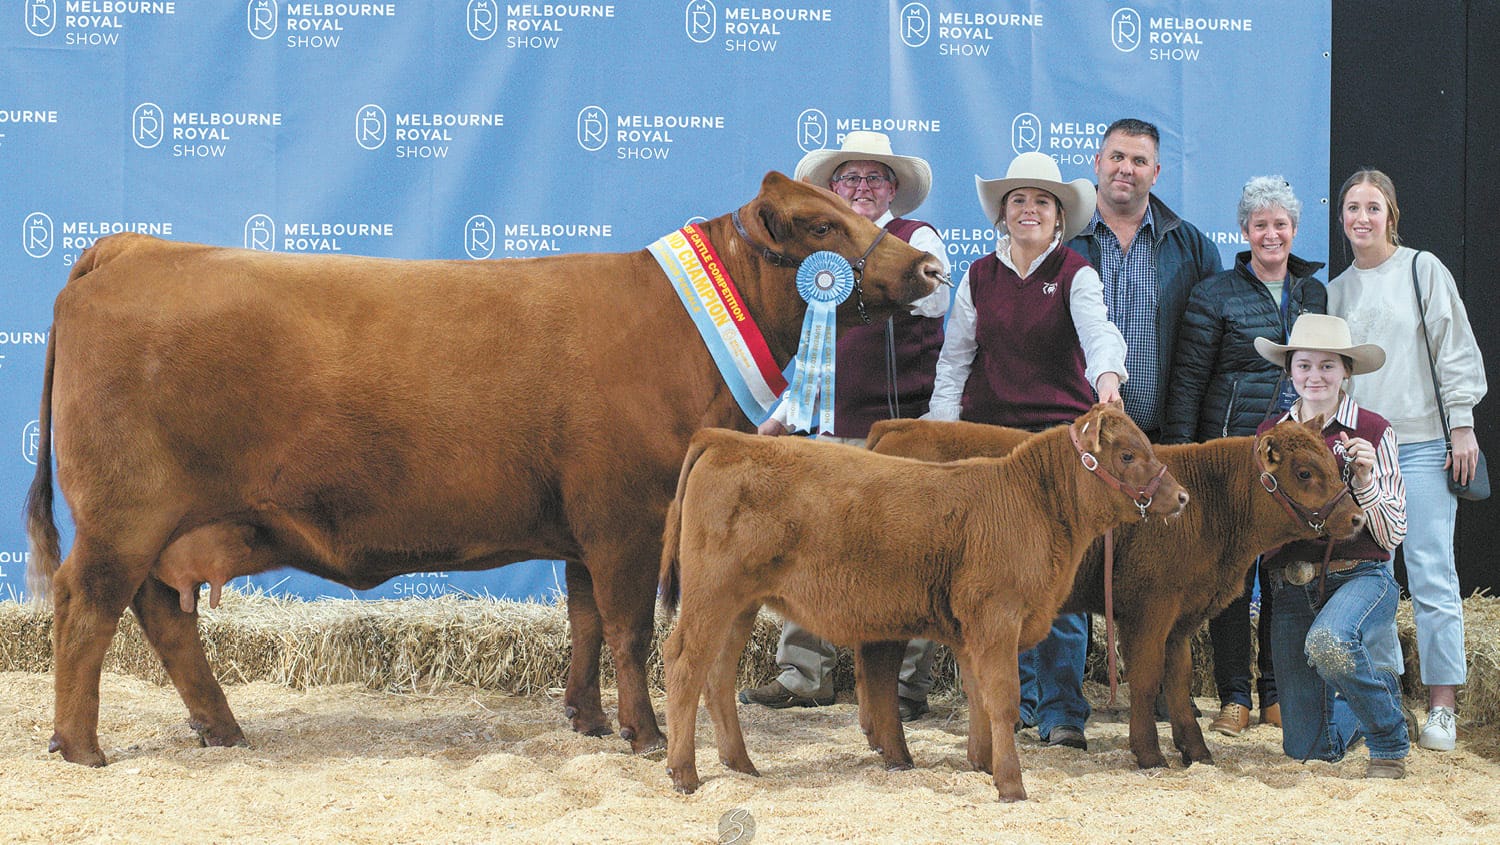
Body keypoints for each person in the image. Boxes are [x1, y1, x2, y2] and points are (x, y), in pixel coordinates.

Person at [740, 131, 952, 721]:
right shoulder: (822, 253)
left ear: (893, 189)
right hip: (828, 421)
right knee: (812, 548)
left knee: (910, 553)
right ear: (833, 189)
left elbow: (934, 302)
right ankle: (803, 674)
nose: (861, 188)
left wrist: (884, 269)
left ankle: (905, 686)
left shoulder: (918, 239)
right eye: (850, 179)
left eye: (873, 179)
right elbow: (813, 350)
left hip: (900, 424)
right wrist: (782, 416)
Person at [922, 150, 1126, 750]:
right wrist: (943, 437)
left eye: (1041, 201)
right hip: (988, 449)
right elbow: (955, 359)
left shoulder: (1076, 273)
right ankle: (1014, 707)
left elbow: (1099, 336)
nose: (1029, 210)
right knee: (994, 583)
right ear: (1003, 215)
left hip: (1057, 451)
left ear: (1059, 216)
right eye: (1018, 201)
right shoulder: (979, 278)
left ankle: (1062, 711)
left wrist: (1108, 380)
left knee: (1055, 585)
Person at [1045, 118, 1223, 729]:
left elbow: (1205, 347)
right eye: (1116, 157)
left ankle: (1160, 695)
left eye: (1139, 160)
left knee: (1166, 575)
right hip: (1080, 434)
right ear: (1096, 162)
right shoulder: (1062, 240)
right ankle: (1063, 709)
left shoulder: (1192, 245)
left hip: (1161, 434)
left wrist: (1184, 431)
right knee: (1066, 568)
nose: (1126, 169)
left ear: (1156, 172)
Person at [1326, 169, 1487, 751]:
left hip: (1420, 445)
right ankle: (1386, 699)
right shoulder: (1336, 289)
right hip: (1361, 450)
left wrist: (1462, 426)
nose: (1361, 218)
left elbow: (1455, 347)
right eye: (1351, 207)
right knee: (1372, 573)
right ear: (1340, 217)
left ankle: (1441, 705)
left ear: (1391, 214)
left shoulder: (1423, 269)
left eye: (1372, 207)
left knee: (1431, 572)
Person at [1163, 176, 1327, 736]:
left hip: (1294, 462)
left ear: (1294, 229)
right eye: (1261, 224)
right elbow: (1188, 380)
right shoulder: (1214, 294)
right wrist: (1183, 458)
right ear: (1244, 231)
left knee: (1282, 574)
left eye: (1280, 224)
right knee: (1232, 579)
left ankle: (1275, 691)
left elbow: (1324, 374)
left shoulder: (1314, 294)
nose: (1271, 233)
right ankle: (1233, 695)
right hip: (1233, 461)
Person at [1253, 313, 1413, 778]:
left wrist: (1363, 480)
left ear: (1347, 371)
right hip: (1291, 586)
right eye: (1304, 366)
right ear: (1291, 372)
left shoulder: (1374, 429)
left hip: (1361, 576)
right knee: (1307, 749)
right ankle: (1380, 697)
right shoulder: (1269, 437)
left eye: (1327, 366)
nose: (1314, 376)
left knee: (1329, 642)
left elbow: (1392, 534)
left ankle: (1389, 741)